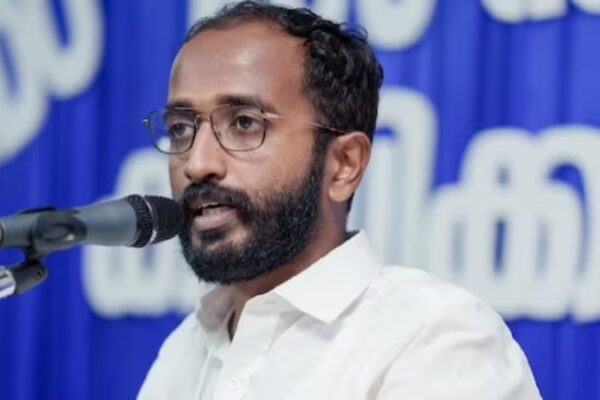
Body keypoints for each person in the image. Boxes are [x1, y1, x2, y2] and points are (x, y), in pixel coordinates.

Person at [138, 1, 541, 399]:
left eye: (245, 124)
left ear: (344, 165)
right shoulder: (183, 351)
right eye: (181, 128)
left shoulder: (435, 341)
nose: (198, 163)